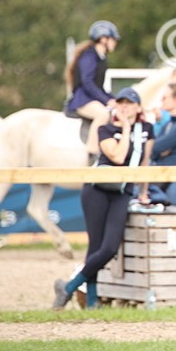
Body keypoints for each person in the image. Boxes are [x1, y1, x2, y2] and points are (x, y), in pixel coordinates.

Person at [53, 87, 153, 310]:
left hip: (122, 191)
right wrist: (126, 128)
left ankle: (68, 287)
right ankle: (92, 301)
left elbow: (145, 161)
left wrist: (143, 192)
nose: (125, 107)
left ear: (138, 107)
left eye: (129, 103)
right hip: (97, 189)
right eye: (121, 103)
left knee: (109, 248)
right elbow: (117, 156)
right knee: (95, 246)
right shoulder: (105, 128)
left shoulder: (147, 129)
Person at [64, 20, 121, 156]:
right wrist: (106, 101)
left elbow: (99, 87)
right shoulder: (89, 55)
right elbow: (87, 82)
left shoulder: (101, 58)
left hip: (90, 97)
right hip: (82, 99)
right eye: (113, 39)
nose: (115, 43)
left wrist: (115, 100)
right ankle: (92, 151)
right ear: (103, 39)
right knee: (103, 114)